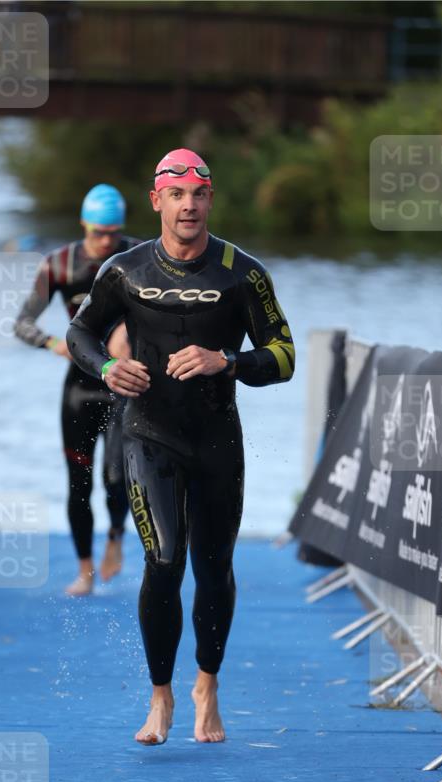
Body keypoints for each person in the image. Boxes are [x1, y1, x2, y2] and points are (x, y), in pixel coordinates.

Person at [67, 148, 295, 745]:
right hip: (149, 435)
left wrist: (229, 361)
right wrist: (107, 366)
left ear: (210, 200)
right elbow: (80, 331)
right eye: (176, 195)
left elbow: (284, 356)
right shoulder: (124, 270)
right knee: (165, 560)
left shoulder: (242, 274)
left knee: (213, 568)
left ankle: (207, 686)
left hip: (216, 439)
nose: (188, 205)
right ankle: (161, 695)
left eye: (198, 194)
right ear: (157, 201)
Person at [15, 184, 141, 595]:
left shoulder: (138, 257)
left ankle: (116, 538)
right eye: (99, 232)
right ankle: (85, 569)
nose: (106, 241)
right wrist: (55, 343)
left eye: (113, 233)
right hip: (81, 387)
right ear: (84, 224)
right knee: (79, 482)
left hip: (124, 384)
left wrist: (132, 333)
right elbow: (22, 323)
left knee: (118, 477)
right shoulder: (59, 264)